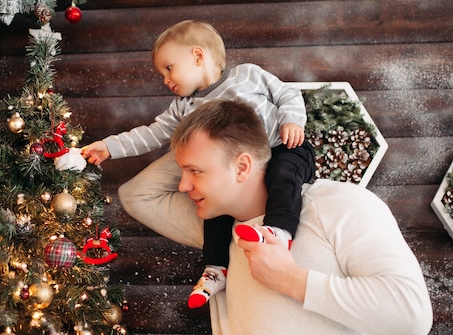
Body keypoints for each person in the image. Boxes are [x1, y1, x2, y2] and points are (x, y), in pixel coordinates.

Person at [81, 20, 315, 308]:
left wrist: (293, 120)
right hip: (229, 177)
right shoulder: (185, 107)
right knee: (214, 208)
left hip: (282, 149)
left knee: (284, 176)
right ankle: (216, 268)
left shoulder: (248, 76)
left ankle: (278, 232)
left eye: (169, 68)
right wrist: (109, 147)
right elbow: (152, 133)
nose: (166, 79)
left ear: (198, 56)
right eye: (162, 73)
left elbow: (287, 94)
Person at [166, 99, 433, 334]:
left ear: (242, 167)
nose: (182, 186)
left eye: (195, 171)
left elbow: (412, 316)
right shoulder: (219, 242)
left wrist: (292, 280)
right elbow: (136, 196)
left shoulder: (336, 204)